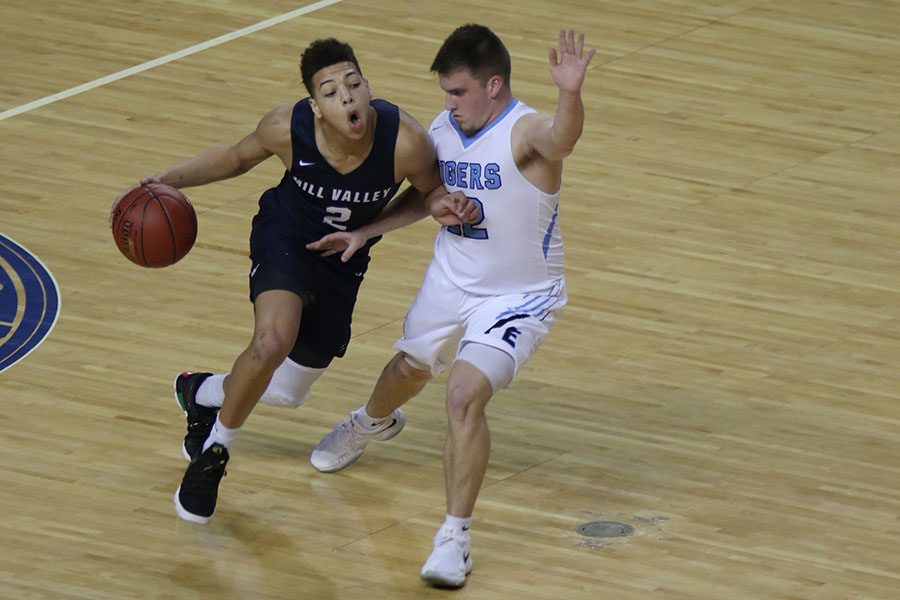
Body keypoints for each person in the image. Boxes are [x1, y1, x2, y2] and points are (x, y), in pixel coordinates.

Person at [113, 38, 480, 525]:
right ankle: (214, 455)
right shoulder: (285, 128)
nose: (346, 96)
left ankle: (200, 392)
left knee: (288, 392)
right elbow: (235, 158)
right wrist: (168, 180)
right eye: (331, 91)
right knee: (272, 340)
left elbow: (429, 193)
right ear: (316, 106)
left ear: (367, 87)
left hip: (342, 259)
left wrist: (372, 229)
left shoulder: (405, 141)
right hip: (284, 235)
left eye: (353, 83)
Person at [307, 25, 595, 588]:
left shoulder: (525, 132)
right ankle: (369, 424)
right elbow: (425, 194)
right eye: (444, 92)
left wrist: (571, 94)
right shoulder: (444, 128)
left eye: (458, 92)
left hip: (519, 295)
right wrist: (373, 229)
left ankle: (454, 539)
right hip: (451, 277)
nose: (448, 104)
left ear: (493, 85)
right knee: (407, 370)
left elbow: (561, 137)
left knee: (462, 396)